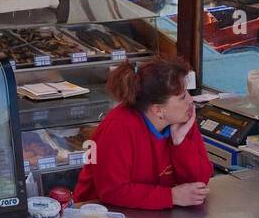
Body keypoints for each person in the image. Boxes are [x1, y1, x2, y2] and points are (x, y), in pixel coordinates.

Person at [72, 56, 213, 210]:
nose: (191, 100)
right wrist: (171, 196)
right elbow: (112, 191)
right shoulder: (117, 129)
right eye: (182, 97)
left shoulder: (181, 120)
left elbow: (199, 184)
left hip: (155, 215)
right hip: (100, 215)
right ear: (158, 109)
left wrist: (181, 144)